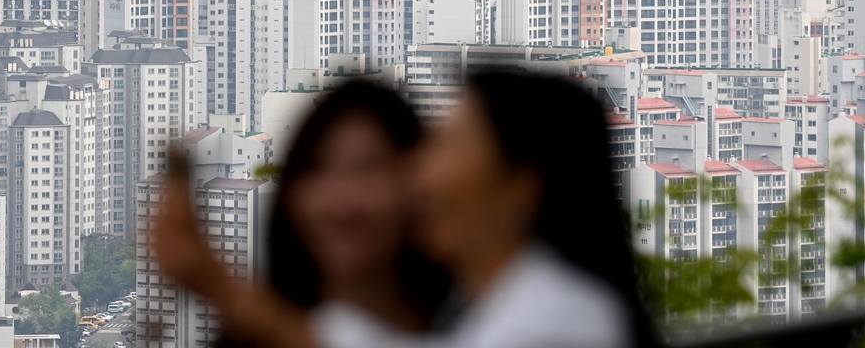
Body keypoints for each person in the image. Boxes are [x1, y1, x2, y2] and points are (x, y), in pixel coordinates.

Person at [154, 71, 649, 348]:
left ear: (520, 186)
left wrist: (218, 285)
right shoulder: (493, 312)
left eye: (450, 147)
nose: (422, 174)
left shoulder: (559, 318)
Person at [159, 81, 449, 347]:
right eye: (318, 168)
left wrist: (224, 292)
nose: (342, 199)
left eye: (368, 167)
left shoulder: (473, 326)